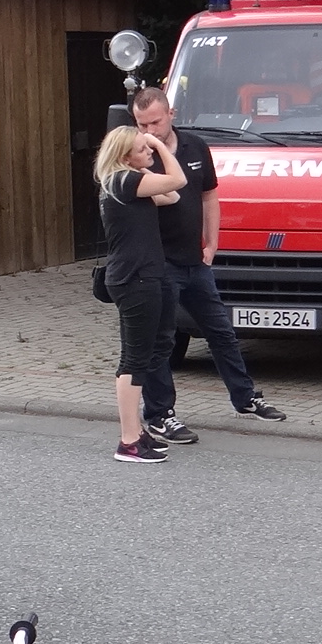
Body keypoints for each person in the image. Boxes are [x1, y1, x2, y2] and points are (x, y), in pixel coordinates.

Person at [131, 85, 287, 443]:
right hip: (158, 263)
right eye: (141, 125)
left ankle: (245, 398)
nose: (149, 131)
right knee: (161, 341)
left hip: (194, 260)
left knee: (221, 331)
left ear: (171, 114)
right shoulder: (137, 154)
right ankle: (160, 414)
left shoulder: (195, 146)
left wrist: (213, 242)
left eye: (155, 122)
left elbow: (209, 195)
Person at [95, 125, 186, 463]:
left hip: (147, 276)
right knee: (134, 360)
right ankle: (128, 441)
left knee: (152, 350)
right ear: (124, 157)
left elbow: (172, 197)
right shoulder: (123, 181)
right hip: (135, 279)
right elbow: (178, 181)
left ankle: (136, 431)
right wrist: (161, 148)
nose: (149, 150)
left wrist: (145, 161)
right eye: (142, 148)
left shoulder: (129, 181)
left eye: (148, 147)